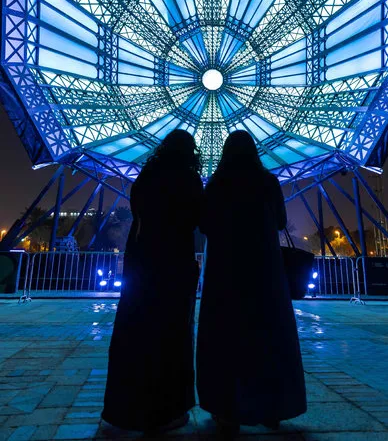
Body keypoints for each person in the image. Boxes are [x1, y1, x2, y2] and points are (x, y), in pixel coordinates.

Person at [196, 130, 306, 435]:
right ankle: (273, 405)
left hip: (226, 272)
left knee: (226, 338)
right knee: (269, 335)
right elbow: (281, 222)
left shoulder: (218, 183)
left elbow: (204, 223)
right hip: (264, 271)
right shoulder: (267, 181)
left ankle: (227, 407)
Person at [102, 129, 203, 433]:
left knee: (136, 330)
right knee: (172, 335)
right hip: (174, 261)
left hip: (143, 258)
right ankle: (167, 409)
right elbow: (198, 217)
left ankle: (126, 408)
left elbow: (138, 209)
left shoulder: (148, 174)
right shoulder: (188, 178)